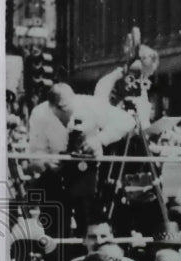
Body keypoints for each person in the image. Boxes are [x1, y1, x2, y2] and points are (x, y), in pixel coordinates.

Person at [25, 83, 137, 240]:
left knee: (88, 223)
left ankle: (88, 259)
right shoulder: (39, 114)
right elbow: (36, 150)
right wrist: (46, 161)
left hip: (85, 172)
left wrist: (99, 140)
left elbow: (127, 121)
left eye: (70, 108)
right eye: (61, 110)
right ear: (52, 107)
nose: (67, 115)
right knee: (55, 228)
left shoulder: (90, 104)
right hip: (56, 174)